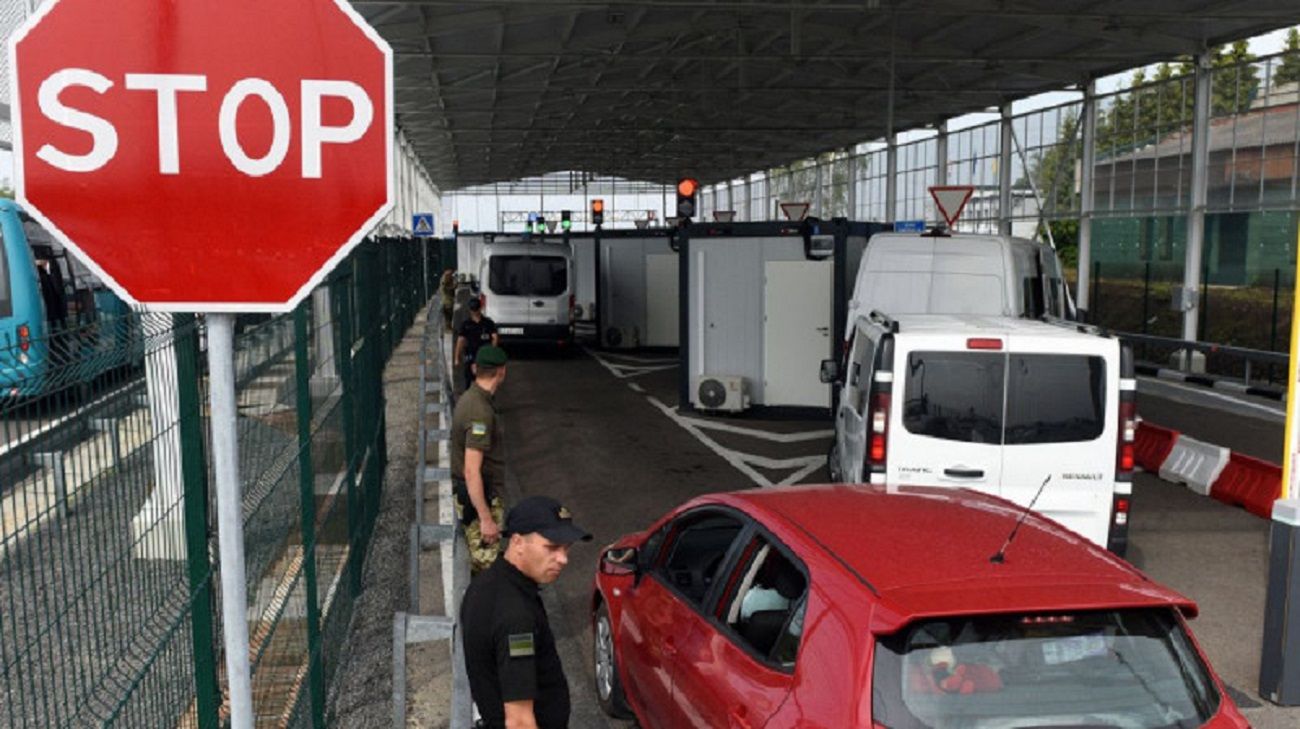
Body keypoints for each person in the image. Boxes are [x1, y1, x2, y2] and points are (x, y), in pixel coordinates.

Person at [461, 496, 592, 729]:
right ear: (518, 542)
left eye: (566, 548)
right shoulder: (516, 618)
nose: (563, 559)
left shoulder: (487, 584)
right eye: (552, 547)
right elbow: (519, 722)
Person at [452, 344, 510, 574]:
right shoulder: (479, 411)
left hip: (476, 496)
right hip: (480, 499)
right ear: (501, 371)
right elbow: (471, 470)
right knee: (485, 568)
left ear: (475, 368)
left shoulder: (474, 399)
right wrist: (486, 518)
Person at [455, 298, 499, 391]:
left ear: (480, 308)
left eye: (476, 309)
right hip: (471, 356)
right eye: (473, 309)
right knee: (469, 381)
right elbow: (460, 341)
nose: (474, 312)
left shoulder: (488, 323)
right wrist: (457, 357)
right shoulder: (466, 324)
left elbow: (495, 337)